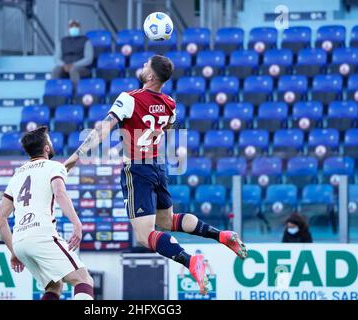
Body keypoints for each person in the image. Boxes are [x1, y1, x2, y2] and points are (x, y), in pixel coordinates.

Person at [64, 55, 248, 295]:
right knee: (166, 222)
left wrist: (77, 156)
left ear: (150, 76)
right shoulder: (170, 103)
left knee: (143, 235)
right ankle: (222, 235)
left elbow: (104, 128)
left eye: (145, 66)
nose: (141, 67)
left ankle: (191, 261)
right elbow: (168, 127)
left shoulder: (128, 98)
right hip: (159, 166)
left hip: (137, 169)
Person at [0, 126, 94, 300]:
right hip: (41, 236)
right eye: (49, 140)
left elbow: (0, 218)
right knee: (83, 279)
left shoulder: (17, 174)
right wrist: (77, 224)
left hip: (20, 242)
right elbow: (60, 193)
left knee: (54, 286)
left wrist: (14, 252)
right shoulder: (53, 167)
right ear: (47, 148)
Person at [51, 19, 93, 86]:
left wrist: (73, 65)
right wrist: (64, 65)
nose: (74, 28)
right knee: (56, 70)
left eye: (76, 26)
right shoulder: (62, 41)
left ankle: (75, 92)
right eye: (71, 26)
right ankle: (55, 91)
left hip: (82, 67)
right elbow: (56, 58)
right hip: (65, 66)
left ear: (79, 28)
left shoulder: (86, 41)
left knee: (73, 70)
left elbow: (88, 59)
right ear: (68, 28)